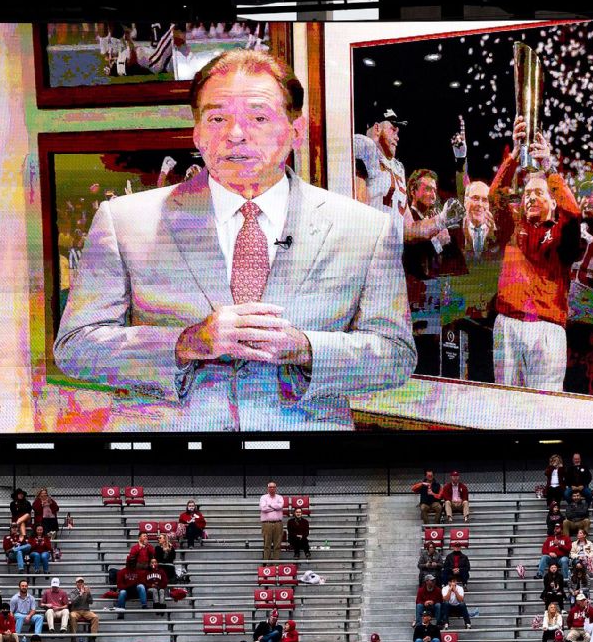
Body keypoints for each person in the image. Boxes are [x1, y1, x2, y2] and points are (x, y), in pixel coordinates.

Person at [53, 49, 415, 432]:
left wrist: (306, 349)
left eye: (258, 118)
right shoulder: (124, 221)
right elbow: (76, 347)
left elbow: (396, 356)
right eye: (217, 118)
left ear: (296, 130)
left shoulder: (365, 229)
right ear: (197, 133)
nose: (235, 134)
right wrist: (186, 343)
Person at [486, 117, 585, 391]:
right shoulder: (512, 226)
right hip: (508, 323)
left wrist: (549, 168)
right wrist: (514, 156)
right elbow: (495, 197)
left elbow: (574, 213)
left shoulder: (563, 231)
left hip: (547, 326)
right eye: (527, 193)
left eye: (538, 193)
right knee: (505, 403)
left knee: (545, 405)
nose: (530, 197)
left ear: (553, 201)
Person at [259, 482, 285, 561]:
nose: (272, 488)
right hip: (267, 524)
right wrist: (275, 507)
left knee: (277, 545)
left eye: (274, 487)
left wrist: (270, 505)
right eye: (270, 487)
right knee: (267, 544)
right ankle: (266, 563)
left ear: (276, 488)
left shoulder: (280, 497)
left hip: (278, 523)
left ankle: (276, 563)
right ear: (267, 488)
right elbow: (263, 508)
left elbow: (280, 506)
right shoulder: (263, 497)